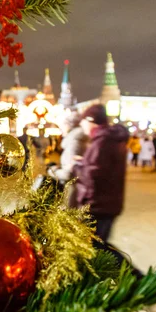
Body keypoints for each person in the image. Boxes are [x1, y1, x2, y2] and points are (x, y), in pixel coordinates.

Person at [73, 104, 129, 243]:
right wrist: (84, 162)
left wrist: (76, 167)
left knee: (94, 248)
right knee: (98, 245)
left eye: (83, 120)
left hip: (97, 206)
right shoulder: (109, 139)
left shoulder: (102, 141)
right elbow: (101, 167)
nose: (81, 123)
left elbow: (94, 175)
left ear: (92, 121)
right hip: (106, 204)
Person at [47, 111, 88, 207]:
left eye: (63, 125)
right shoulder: (80, 140)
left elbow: (69, 173)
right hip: (79, 189)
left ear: (69, 125)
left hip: (73, 192)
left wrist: (53, 171)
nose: (61, 129)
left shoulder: (74, 143)